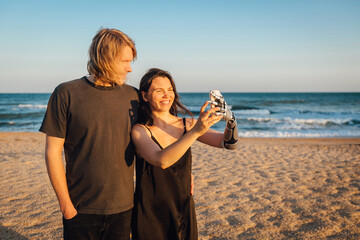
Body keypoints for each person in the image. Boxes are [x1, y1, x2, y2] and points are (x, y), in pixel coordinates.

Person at [40, 28, 139, 240]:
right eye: (125, 61)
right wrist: (66, 205)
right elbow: (52, 153)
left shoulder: (134, 97)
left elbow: (154, 141)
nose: (130, 69)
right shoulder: (66, 93)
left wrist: (186, 174)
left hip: (123, 209)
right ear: (106, 57)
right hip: (80, 208)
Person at [131, 68, 238, 240]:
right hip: (151, 211)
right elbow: (162, 160)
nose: (167, 95)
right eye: (159, 91)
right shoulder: (140, 130)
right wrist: (195, 132)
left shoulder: (187, 124)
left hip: (183, 207)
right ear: (145, 96)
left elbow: (228, 143)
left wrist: (231, 121)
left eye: (170, 90)